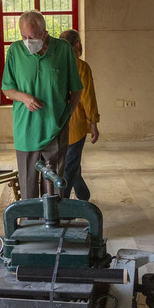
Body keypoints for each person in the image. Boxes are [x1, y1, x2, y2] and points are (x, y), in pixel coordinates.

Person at [1, 11, 83, 198]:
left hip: (55, 127)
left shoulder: (63, 50)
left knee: (56, 185)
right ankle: (31, 224)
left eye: (33, 37)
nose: (28, 41)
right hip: (26, 130)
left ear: (45, 33)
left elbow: (76, 88)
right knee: (28, 185)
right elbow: (7, 89)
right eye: (24, 37)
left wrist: (67, 113)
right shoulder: (15, 51)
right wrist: (24, 97)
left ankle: (56, 223)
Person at [57, 29, 100, 201]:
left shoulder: (55, 65)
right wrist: (93, 123)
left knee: (70, 164)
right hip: (76, 126)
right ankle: (66, 203)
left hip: (57, 124)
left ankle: (83, 194)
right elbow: (88, 97)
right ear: (77, 44)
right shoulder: (81, 67)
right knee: (70, 166)